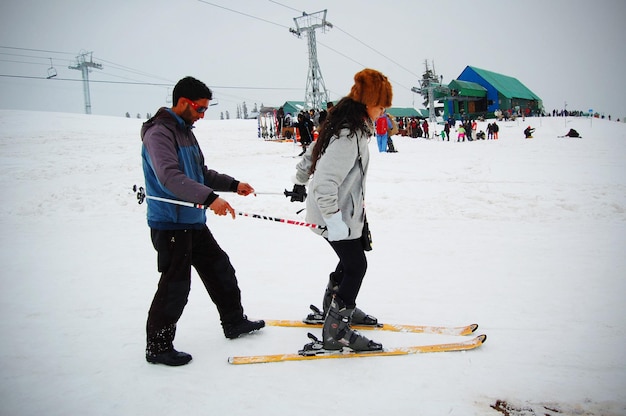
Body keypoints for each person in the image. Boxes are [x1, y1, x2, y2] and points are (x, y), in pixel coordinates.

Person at [141, 76, 264, 366]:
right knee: (175, 286)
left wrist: (233, 185)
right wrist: (211, 199)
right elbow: (170, 177)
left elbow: (199, 173)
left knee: (220, 269)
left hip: (193, 220)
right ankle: (157, 347)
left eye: (206, 110)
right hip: (171, 223)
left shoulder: (186, 130)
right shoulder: (159, 133)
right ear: (183, 102)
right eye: (200, 109)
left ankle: (234, 322)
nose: (202, 115)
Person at [288, 68, 393, 352]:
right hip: (333, 213)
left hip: (345, 211)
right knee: (357, 266)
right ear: (369, 102)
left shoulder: (347, 126)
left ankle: (335, 308)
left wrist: (299, 180)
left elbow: (313, 151)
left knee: (351, 262)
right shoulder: (349, 135)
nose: (383, 112)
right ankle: (336, 328)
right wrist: (334, 220)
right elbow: (324, 183)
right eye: (381, 106)